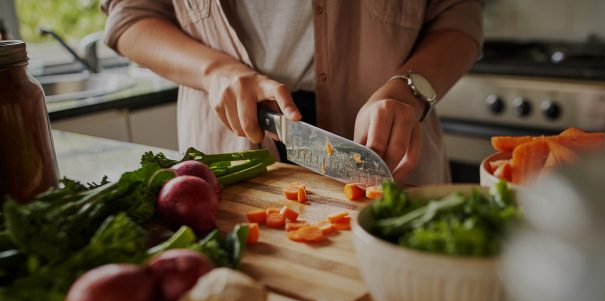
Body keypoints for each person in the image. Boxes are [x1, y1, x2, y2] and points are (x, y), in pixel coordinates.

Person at [101, 0, 482, 184]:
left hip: (392, 154)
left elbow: (459, 17)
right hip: (233, 149)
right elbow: (130, 16)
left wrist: (409, 90)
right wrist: (215, 71)